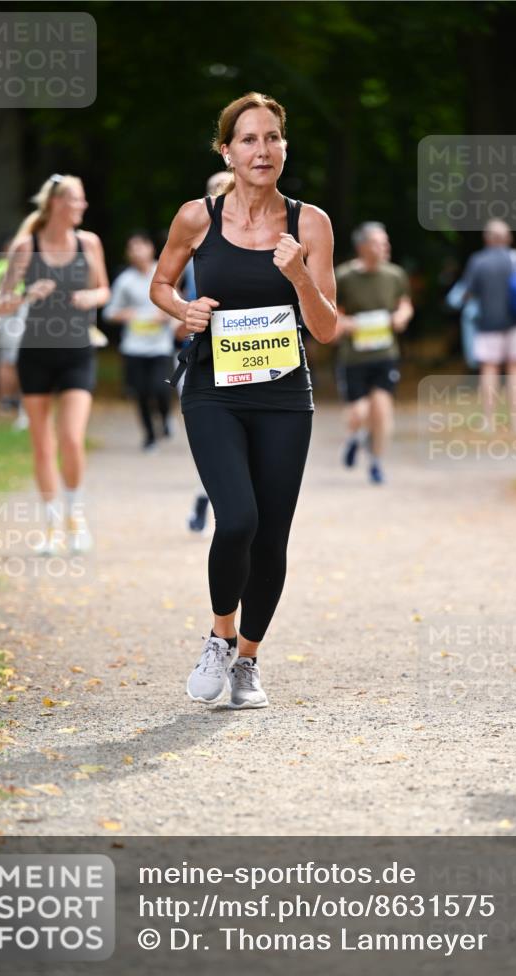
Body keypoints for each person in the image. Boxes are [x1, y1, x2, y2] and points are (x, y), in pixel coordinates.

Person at [150, 92, 336, 709]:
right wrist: (184, 309)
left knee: (272, 535)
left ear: (285, 146)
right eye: (250, 140)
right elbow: (162, 283)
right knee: (237, 521)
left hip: (285, 395)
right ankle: (219, 637)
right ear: (226, 150)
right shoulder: (197, 217)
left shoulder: (309, 223)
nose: (263, 150)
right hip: (214, 391)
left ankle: (248, 662)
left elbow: (329, 327)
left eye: (273, 138)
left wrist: (300, 275)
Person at [0, 173, 110, 554]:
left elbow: (104, 290)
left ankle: (75, 516)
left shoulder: (88, 243)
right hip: (36, 355)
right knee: (43, 446)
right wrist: (28, 293)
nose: (83, 205)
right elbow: (1, 303)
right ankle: (49, 525)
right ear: (58, 204)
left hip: (77, 352)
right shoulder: (26, 247)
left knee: (72, 439)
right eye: (77, 199)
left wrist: (89, 297)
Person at [334, 222, 413, 484]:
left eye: (386, 242)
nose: (385, 247)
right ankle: (354, 438)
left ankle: (376, 462)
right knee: (360, 412)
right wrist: (345, 324)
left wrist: (402, 316)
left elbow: (405, 304)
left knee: (382, 410)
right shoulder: (344, 277)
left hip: (385, 353)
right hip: (354, 356)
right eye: (379, 242)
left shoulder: (395, 275)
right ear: (362, 247)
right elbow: (333, 313)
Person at [180, 170, 231, 531]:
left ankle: (212, 501)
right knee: (218, 443)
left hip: (254, 354)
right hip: (204, 355)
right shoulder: (192, 242)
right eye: (214, 192)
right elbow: (171, 295)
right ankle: (209, 499)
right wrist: (184, 313)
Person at [460, 218, 516, 433]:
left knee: (489, 370)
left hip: (487, 325)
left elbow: (467, 292)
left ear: (487, 238)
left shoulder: (478, 261)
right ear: (508, 238)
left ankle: (489, 421)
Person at [103, 232, 176, 450]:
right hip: (134, 346)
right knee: (141, 392)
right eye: (132, 248)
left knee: (160, 389)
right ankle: (149, 436)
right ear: (128, 254)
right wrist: (126, 314)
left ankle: (164, 418)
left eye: (141, 247)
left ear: (150, 249)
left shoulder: (163, 273)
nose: (137, 252)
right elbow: (109, 312)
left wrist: (167, 315)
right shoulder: (125, 280)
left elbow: (178, 303)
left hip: (160, 345)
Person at [0, 235, 29, 428]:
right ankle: (13, 399)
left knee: (4, 358)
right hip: (9, 318)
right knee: (11, 360)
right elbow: (9, 298)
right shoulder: (7, 269)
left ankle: (6, 400)